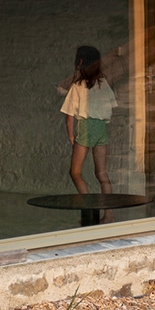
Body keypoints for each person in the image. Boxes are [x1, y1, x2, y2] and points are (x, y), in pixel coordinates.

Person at [60, 45, 117, 219]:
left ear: (81, 62)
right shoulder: (103, 83)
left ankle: (90, 207)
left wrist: (71, 134)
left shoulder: (78, 85)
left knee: (75, 172)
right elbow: (111, 106)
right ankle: (109, 214)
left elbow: (69, 115)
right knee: (102, 174)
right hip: (101, 128)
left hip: (85, 128)